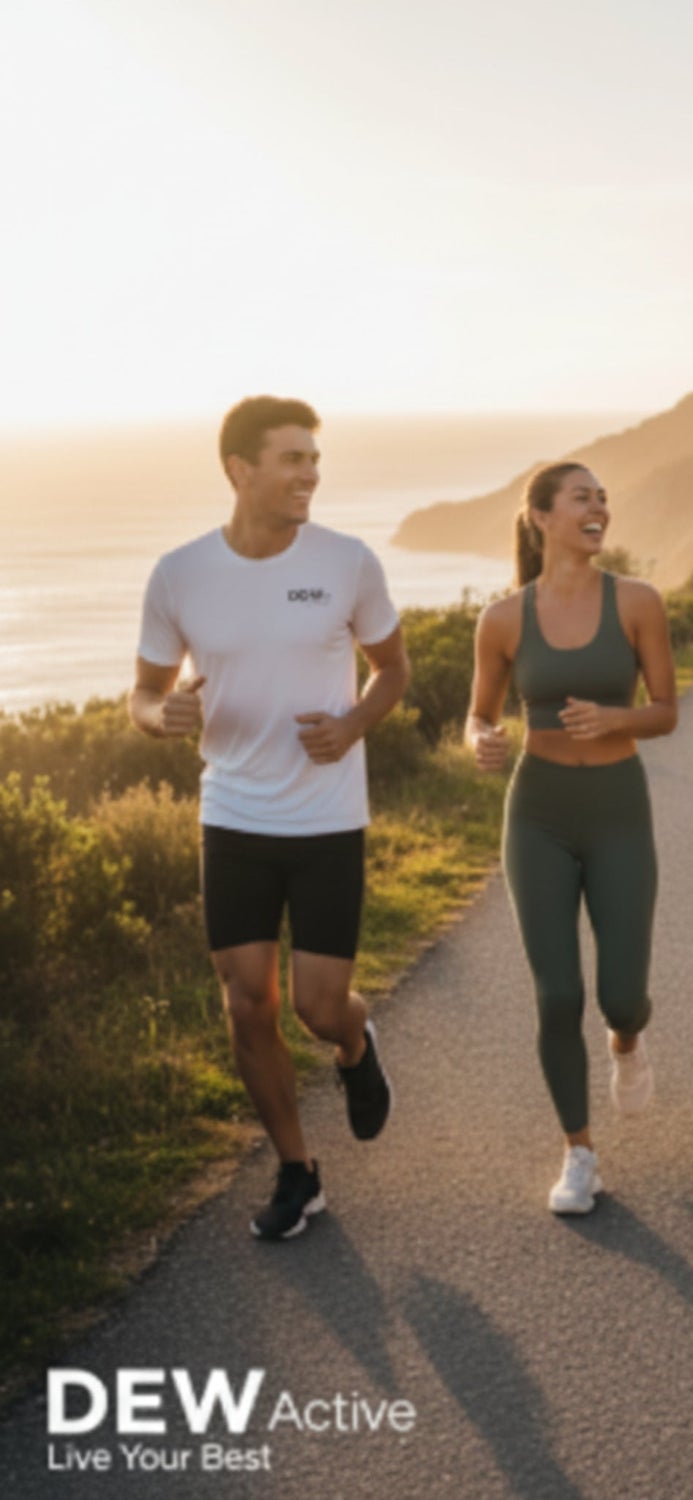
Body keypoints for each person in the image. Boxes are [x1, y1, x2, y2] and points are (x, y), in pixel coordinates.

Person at [131, 396, 409, 1242]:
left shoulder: (348, 562)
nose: (310, 475)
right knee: (248, 1004)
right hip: (234, 813)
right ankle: (298, 1170)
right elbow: (142, 693)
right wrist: (161, 716)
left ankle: (355, 1043)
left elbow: (393, 671)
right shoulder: (179, 574)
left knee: (317, 1009)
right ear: (239, 469)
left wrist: (353, 726)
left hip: (327, 818)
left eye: (314, 460)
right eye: (293, 459)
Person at [468, 462, 677, 1215]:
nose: (599, 509)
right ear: (542, 517)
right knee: (558, 994)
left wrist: (616, 718)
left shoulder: (638, 602)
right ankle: (579, 1154)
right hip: (539, 813)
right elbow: (479, 714)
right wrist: (481, 740)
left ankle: (627, 1041)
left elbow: (666, 710)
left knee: (622, 996)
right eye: (583, 498)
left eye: (603, 498)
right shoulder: (501, 619)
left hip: (618, 808)